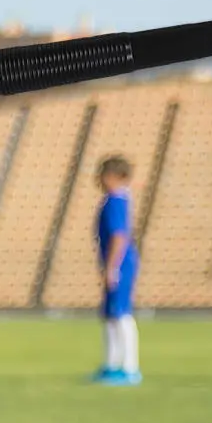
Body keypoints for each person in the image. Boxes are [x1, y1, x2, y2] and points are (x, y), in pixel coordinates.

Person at [94, 156, 141, 385]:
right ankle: (112, 365)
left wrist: (112, 267)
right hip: (117, 263)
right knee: (110, 315)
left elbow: (119, 237)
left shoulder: (116, 201)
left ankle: (130, 367)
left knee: (121, 313)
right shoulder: (114, 200)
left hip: (121, 264)